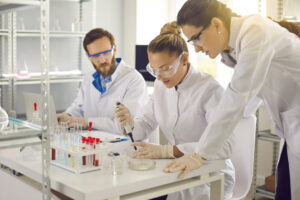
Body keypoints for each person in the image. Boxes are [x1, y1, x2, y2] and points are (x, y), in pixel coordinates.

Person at [164, 0, 300, 199]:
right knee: (286, 192)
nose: (197, 49)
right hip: (292, 128)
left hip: (295, 123)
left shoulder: (256, 31)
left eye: (196, 39)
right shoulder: (235, 47)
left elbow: (238, 95)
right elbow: (247, 99)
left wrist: (199, 154)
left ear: (217, 24)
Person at [115, 21, 235, 200]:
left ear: (184, 59)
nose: (159, 77)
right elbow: (143, 128)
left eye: (165, 69)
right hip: (177, 174)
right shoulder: (160, 85)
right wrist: (129, 122)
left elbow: (225, 146)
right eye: (154, 70)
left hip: (211, 175)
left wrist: (169, 151)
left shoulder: (209, 90)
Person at [57, 28, 147, 135]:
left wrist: (87, 122)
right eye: (96, 56)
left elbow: (127, 127)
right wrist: (68, 116)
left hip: (125, 146)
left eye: (106, 53)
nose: (103, 60)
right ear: (88, 56)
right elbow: (78, 108)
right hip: (95, 143)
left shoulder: (133, 80)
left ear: (114, 49)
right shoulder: (89, 78)